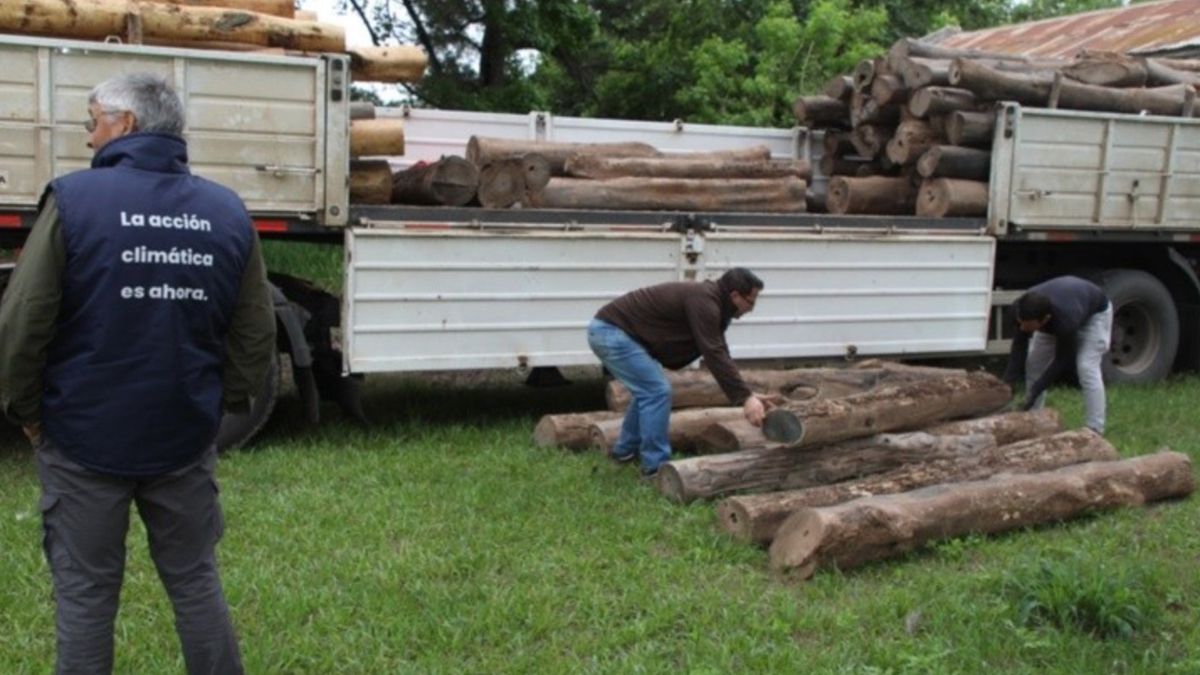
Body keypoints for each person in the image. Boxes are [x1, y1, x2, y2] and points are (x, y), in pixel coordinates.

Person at [0, 73, 275, 674]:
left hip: (80, 436)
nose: (88, 137)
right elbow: (255, 335)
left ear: (125, 125)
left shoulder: (73, 201)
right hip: (182, 436)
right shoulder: (226, 212)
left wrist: (26, 412)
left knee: (86, 599)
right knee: (196, 583)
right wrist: (216, 406)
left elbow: (23, 321)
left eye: (92, 121)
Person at [587, 268, 773, 477]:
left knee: (649, 391)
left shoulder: (716, 304)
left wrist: (746, 395)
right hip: (610, 333)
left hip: (616, 333)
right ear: (735, 296)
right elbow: (713, 352)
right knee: (656, 391)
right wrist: (745, 398)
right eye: (751, 302)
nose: (751, 309)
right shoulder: (706, 302)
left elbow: (720, 352)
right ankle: (655, 469)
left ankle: (624, 452)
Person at [1003, 275, 1113, 434]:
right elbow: (1019, 346)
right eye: (1020, 322)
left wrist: (1036, 390)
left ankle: (1095, 428)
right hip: (1064, 310)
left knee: (1086, 367)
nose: (1022, 328)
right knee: (1034, 363)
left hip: (1095, 315)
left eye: (1027, 325)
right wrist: (1008, 384)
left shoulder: (1065, 322)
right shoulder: (1020, 310)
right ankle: (1032, 420)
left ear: (1044, 320)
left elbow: (1061, 360)